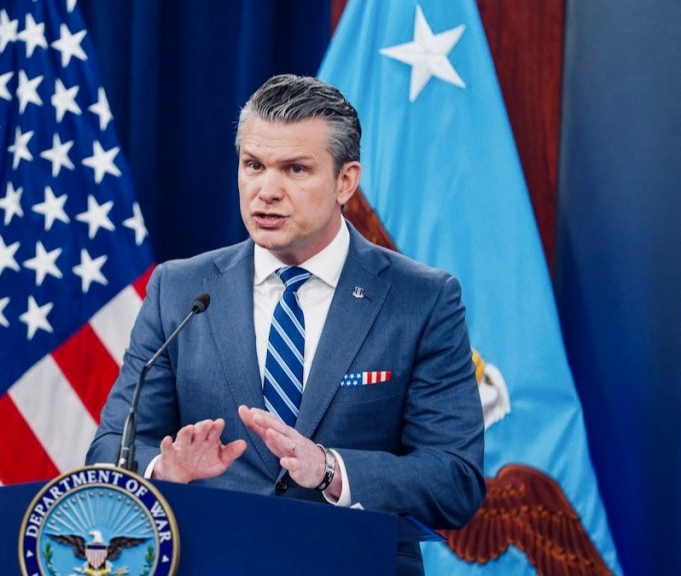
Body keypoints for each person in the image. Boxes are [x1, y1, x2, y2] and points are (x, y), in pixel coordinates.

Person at [86, 74, 485, 574]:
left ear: (345, 182)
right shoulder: (180, 290)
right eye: (253, 165)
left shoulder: (420, 299)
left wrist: (330, 469)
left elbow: (455, 479)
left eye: (295, 169)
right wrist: (164, 470)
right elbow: (110, 449)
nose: (267, 191)